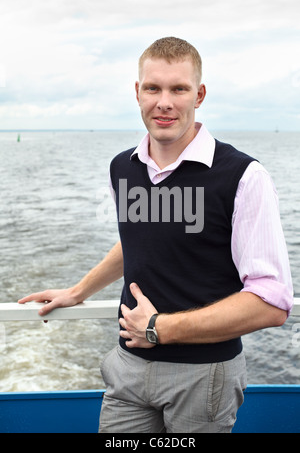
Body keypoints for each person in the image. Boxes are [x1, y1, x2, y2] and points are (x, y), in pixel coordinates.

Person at [19, 37, 293, 433]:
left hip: (204, 375)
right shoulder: (123, 167)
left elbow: (272, 302)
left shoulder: (243, 177)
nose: (164, 102)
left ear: (198, 95)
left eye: (178, 89)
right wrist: (79, 291)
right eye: (153, 88)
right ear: (137, 93)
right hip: (128, 367)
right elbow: (140, 237)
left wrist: (160, 328)